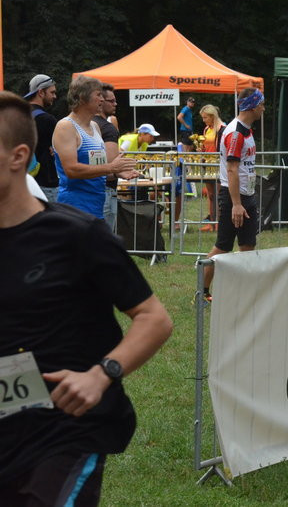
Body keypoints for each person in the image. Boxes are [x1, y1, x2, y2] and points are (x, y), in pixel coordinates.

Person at [0, 90, 172, 505]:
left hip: (69, 430)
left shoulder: (77, 236)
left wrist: (101, 374)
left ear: (18, 157)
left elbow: (154, 318)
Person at [202, 88, 265, 303]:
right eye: (262, 104)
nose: (264, 108)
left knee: (248, 245)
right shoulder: (236, 133)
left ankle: (244, 294)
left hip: (246, 194)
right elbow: (231, 169)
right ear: (254, 106)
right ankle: (202, 292)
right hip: (233, 197)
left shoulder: (246, 130)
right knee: (223, 246)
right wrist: (237, 204)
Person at [52, 75, 138, 219]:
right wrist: (111, 168)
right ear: (82, 97)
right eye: (98, 95)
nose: (102, 99)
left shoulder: (95, 127)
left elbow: (96, 168)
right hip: (74, 208)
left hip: (97, 205)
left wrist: (116, 173)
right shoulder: (66, 126)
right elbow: (71, 170)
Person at [24, 74, 59, 202]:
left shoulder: (20, 115)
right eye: (52, 92)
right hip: (46, 183)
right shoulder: (47, 120)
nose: (55, 96)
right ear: (40, 92)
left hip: (24, 182)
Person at [93, 83, 121, 231]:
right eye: (111, 101)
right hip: (106, 191)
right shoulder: (108, 129)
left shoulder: (86, 124)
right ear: (100, 101)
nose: (115, 104)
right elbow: (110, 171)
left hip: (89, 188)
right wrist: (122, 168)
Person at [199, 104, 227, 232]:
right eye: (203, 118)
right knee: (210, 195)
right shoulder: (206, 129)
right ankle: (211, 223)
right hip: (207, 165)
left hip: (218, 165)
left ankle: (220, 224)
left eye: (205, 117)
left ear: (212, 116)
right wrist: (201, 150)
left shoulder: (223, 129)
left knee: (219, 195)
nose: (204, 120)